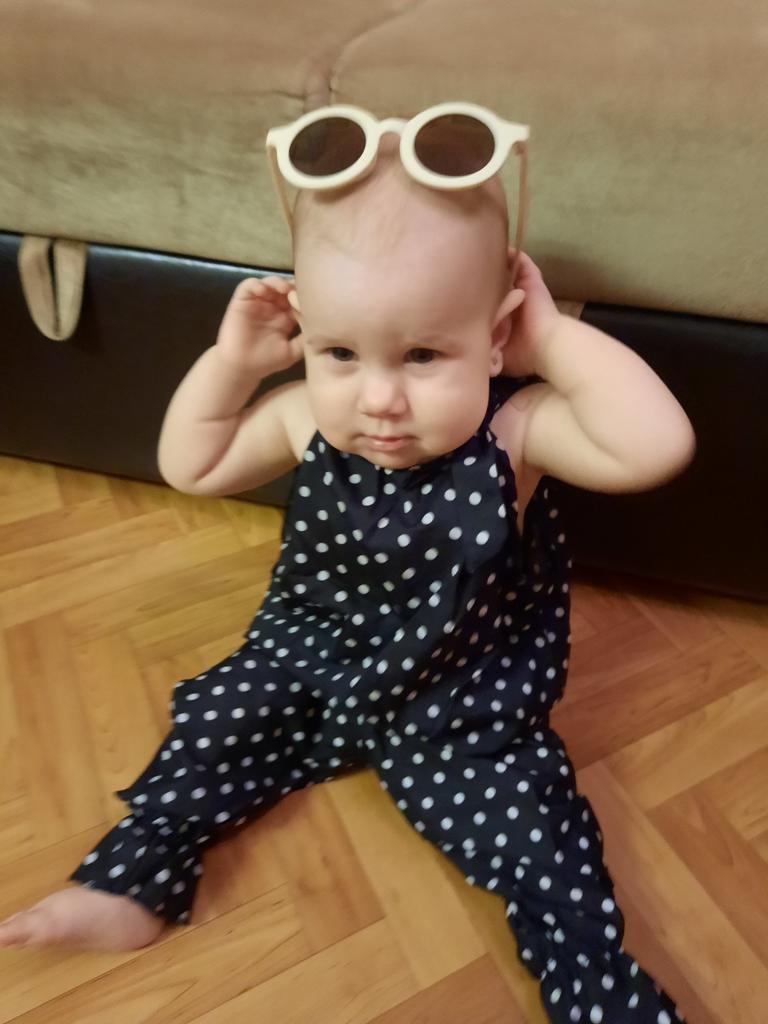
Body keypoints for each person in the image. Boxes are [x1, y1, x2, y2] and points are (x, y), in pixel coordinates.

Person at [0, 109, 694, 1024]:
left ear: (496, 338)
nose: (379, 399)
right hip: (309, 658)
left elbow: (655, 447)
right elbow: (193, 466)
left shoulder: (513, 434)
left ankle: (595, 989)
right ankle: (132, 878)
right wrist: (232, 364)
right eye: (340, 352)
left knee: (539, 833)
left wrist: (554, 343)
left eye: (423, 354)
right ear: (304, 331)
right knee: (217, 725)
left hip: (461, 697)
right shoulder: (303, 417)